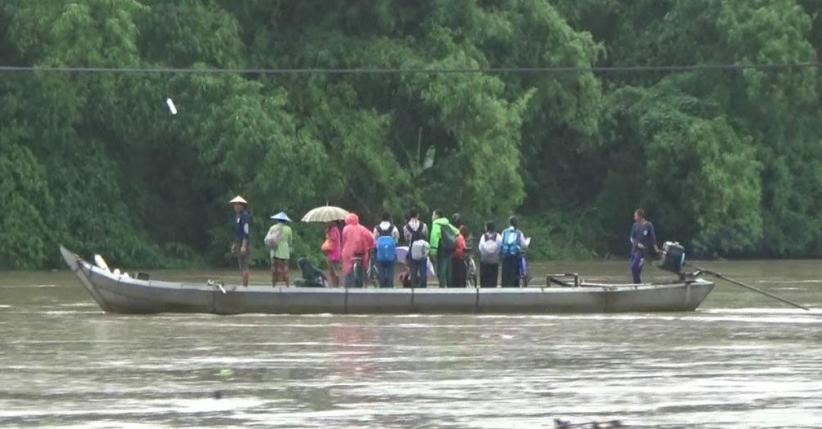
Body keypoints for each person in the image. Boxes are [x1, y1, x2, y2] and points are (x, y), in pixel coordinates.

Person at [342, 213, 376, 287]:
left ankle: (348, 286)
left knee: (348, 270)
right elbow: (371, 238)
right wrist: (371, 246)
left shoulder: (346, 228)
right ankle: (359, 285)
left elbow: (344, 241)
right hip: (360, 252)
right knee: (361, 268)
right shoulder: (362, 228)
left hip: (348, 253)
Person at [430, 209, 459, 287]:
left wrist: (433, 251)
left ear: (437, 216)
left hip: (441, 248)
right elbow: (457, 232)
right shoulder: (447, 223)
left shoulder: (436, 224)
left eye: (433, 215)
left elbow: (434, 238)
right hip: (450, 248)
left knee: (441, 267)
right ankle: (450, 285)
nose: (432, 216)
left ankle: (442, 285)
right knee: (449, 267)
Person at [629, 208, 659, 284]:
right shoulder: (635, 225)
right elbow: (632, 238)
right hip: (634, 250)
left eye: (635, 216)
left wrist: (656, 250)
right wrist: (636, 244)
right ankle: (637, 284)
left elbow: (653, 239)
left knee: (634, 267)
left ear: (640, 216)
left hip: (642, 251)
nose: (634, 218)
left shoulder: (648, 225)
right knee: (634, 270)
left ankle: (637, 284)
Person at [403, 208, 430, 288]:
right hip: (422, 249)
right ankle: (423, 286)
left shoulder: (406, 227)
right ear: (417, 215)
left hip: (412, 249)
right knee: (423, 268)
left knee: (413, 269)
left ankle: (414, 286)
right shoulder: (424, 225)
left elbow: (406, 238)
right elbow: (426, 235)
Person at [373, 212, 400, 288]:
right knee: (390, 270)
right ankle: (390, 286)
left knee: (381, 270)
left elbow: (374, 240)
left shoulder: (377, 228)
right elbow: (396, 238)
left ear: (381, 218)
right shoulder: (393, 227)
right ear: (389, 218)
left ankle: (382, 286)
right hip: (391, 253)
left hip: (380, 253)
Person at [266, 211, 293, 287]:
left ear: (277, 220)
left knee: (274, 270)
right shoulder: (289, 229)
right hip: (285, 252)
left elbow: (267, 239)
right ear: (286, 221)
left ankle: (273, 286)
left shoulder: (272, 228)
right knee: (285, 269)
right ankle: (287, 286)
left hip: (274, 251)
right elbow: (290, 241)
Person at [229, 195, 251, 287]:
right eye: (234, 205)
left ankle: (245, 286)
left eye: (237, 205)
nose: (235, 206)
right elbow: (237, 232)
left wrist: (244, 245)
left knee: (244, 264)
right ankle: (244, 284)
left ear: (242, 206)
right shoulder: (237, 217)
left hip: (244, 242)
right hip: (238, 242)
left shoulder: (245, 216)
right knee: (241, 265)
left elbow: (246, 231)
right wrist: (234, 243)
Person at [500, 216, 528, 287]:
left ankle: (504, 287)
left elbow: (501, 243)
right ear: (516, 223)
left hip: (505, 258)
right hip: (514, 258)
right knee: (514, 276)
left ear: (509, 223)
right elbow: (524, 245)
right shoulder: (519, 233)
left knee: (505, 276)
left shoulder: (504, 232)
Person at [478, 221, 501, 287]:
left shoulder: (483, 236)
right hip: (494, 262)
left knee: (484, 281)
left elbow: (480, 248)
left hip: (484, 263)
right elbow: (500, 247)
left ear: (486, 228)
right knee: (493, 281)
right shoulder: (498, 236)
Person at [323, 221, 343, 287]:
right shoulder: (333, 229)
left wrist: (328, 234)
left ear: (334, 222)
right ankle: (335, 284)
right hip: (334, 252)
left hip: (333, 253)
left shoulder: (334, 229)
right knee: (333, 270)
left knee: (333, 270)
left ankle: (335, 285)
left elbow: (333, 238)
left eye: (329, 221)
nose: (328, 222)